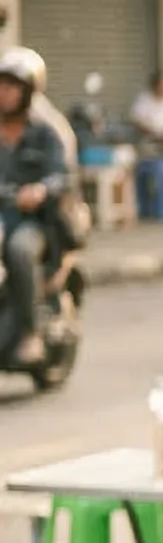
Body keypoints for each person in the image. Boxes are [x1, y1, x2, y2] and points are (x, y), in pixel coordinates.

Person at [0, 46, 72, 366]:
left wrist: (41, 190)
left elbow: (61, 175)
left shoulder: (46, 134)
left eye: (13, 86)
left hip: (30, 222)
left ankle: (30, 334)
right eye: (1, 85)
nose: (5, 93)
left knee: (19, 250)